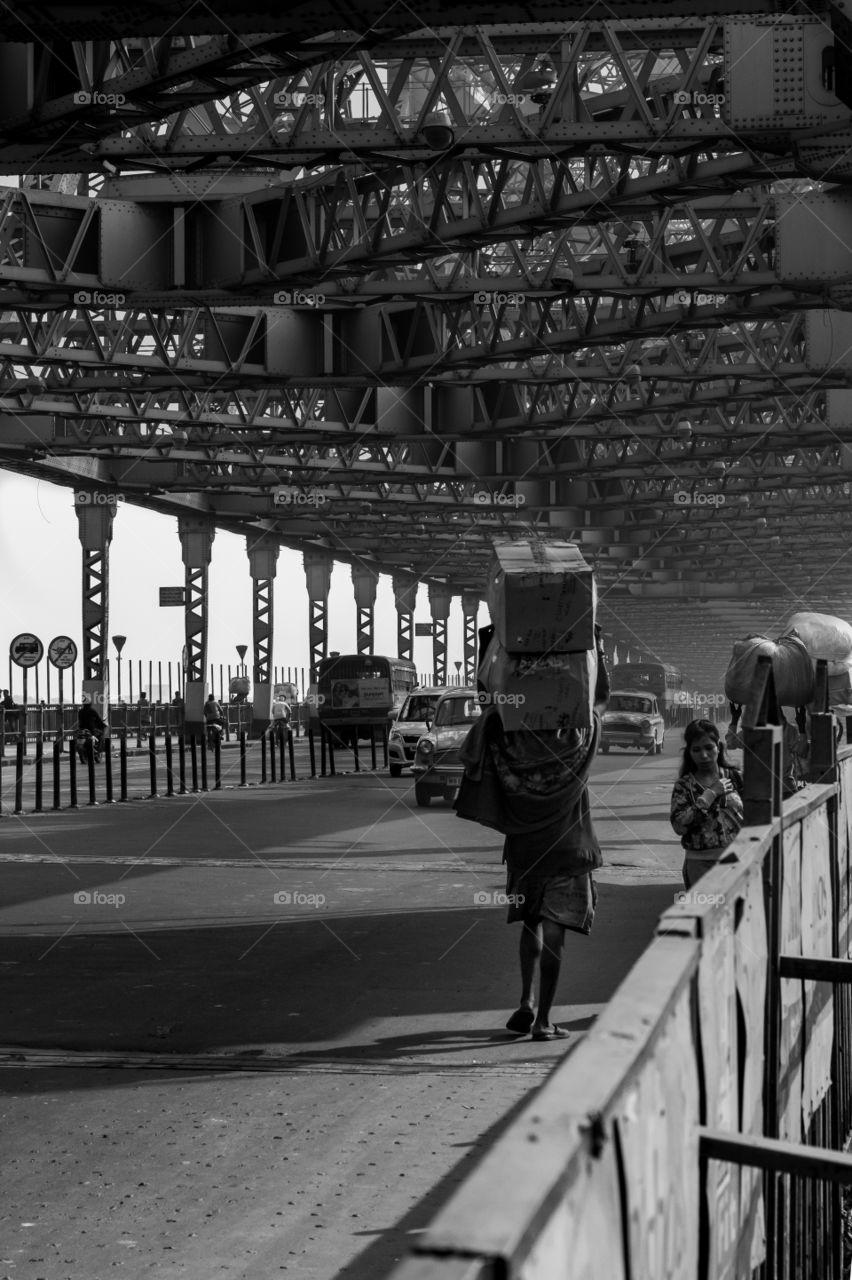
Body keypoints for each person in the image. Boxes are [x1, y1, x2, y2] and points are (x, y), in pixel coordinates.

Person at [670, 719, 744, 890]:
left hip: (737, 862)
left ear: (719, 747)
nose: (704, 755)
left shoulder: (736, 778)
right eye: (696, 750)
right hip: (699, 866)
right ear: (689, 752)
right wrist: (710, 795)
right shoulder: (684, 786)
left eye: (709, 748)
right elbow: (679, 826)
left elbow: (756, 819)